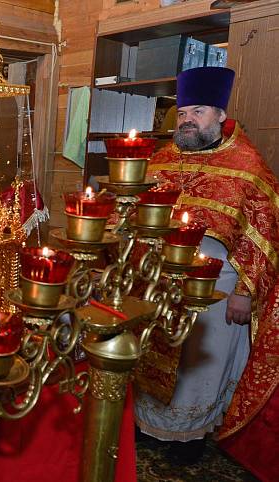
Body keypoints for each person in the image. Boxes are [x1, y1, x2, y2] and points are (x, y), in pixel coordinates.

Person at [135, 67, 279, 467]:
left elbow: (264, 237)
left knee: (201, 362)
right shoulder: (162, 159)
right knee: (154, 351)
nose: (187, 121)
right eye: (182, 113)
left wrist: (244, 293)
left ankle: (189, 436)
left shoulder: (248, 165)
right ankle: (148, 426)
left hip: (216, 286)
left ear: (219, 114)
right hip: (159, 279)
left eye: (197, 112)